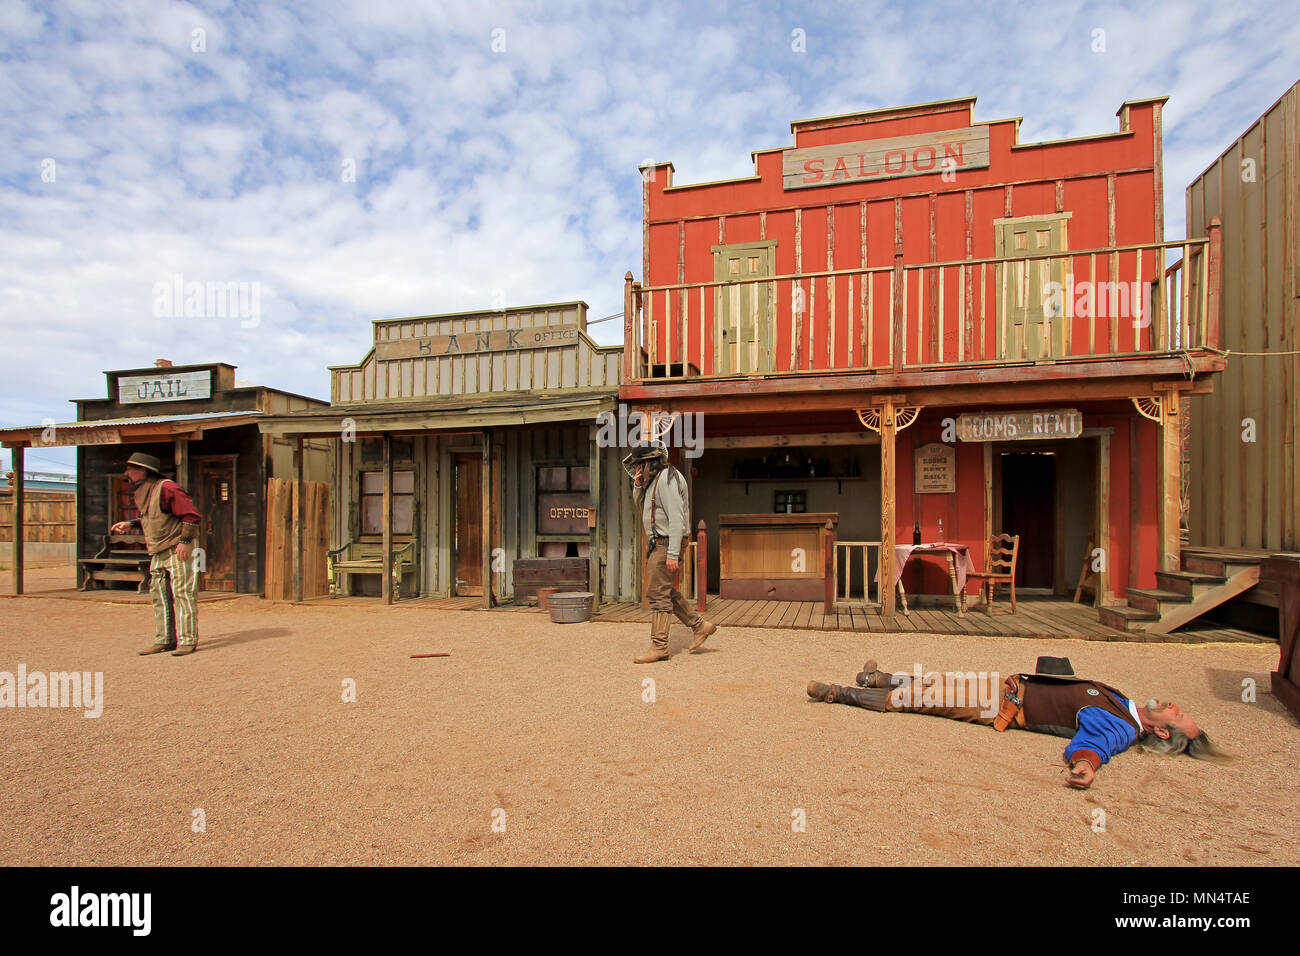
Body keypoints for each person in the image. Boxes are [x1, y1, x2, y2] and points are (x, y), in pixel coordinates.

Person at [806, 660, 1218, 789]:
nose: (1174, 706)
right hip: (1007, 685)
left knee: (922, 698)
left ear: (1162, 732)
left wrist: (1086, 765)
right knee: (937, 680)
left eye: (1177, 715)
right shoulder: (1124, 702)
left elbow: (1098, 743)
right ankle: (874, 678)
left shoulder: (1121, 725)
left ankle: (840, 693)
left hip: (1000, 704)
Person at [623, 441, 718, 663]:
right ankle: (699, 626)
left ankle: (660, 646)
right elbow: (642, 509)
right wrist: (638, 486)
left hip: (667, 543)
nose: (637, 469)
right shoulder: (655, 480)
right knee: (662, 589)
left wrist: (674, 553)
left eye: (639, 465)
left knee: (657, 593)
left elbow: (677, 518)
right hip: (661, 542)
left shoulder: (667, 478)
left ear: (648, 463)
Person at [110, 453, 202, 657]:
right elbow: (151, 516)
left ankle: (187, 640)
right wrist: (130, 524)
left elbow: (191, 515)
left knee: (183, 593)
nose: (127, 474)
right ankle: (165, 639)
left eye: (130, 469)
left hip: (177, 546)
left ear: (143, 470)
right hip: (158, 549)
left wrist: (185, 542)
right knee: (159, 594)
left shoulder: (167, 487)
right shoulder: (145, 490)